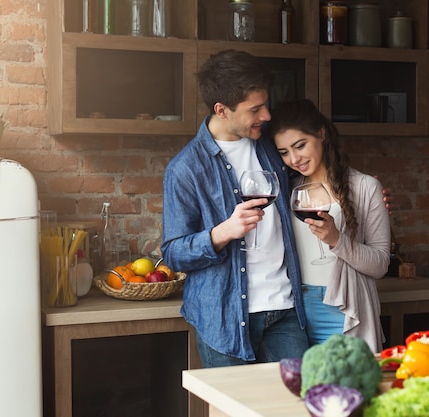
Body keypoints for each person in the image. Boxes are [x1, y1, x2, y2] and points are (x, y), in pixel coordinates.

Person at [161, 49, 309, 367]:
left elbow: (316, 170)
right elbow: (173, 253)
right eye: (255, 109)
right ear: (222, 109)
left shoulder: (272, 144)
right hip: (224, 317)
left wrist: (361, 194)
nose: (266, 115)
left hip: (285, 309)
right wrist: (223, 232)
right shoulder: (185, 168)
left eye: (265, 105)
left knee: (299, 407)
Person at [266, 98, 391, 353]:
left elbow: (380, 264)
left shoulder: (366, 187)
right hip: (294, 313)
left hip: (345, 310)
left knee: (349, 390)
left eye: (300, 145)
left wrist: (337, 239)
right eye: (284, 152)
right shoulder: (286, 189)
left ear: (321, 134)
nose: (294, 158)